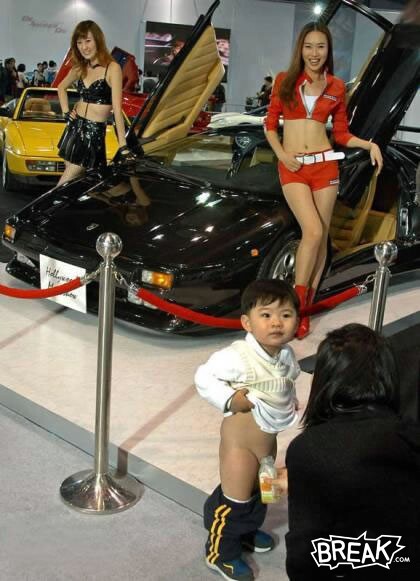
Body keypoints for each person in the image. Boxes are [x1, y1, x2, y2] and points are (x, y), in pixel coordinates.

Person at [264, 22, 383, 339]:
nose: (314, 53)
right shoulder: (285, 80)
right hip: (293, 167)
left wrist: (368, 144)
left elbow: (341, 133)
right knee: (313, 231)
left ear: (328, 50)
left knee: (322, 236)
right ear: (300, 49)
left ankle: (305, 308)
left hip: (326, 167)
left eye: (320, 46)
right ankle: (295, 306)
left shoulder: (336, 86)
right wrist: (282, 154)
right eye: (308, 46)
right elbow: (270, 125)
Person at [285, 323, 420, 580]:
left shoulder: (309, 448)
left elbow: (306, 551)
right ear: (389, 376)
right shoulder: (410, 434)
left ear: (323, 380)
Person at [195, 279, 301, 581]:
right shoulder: (238, 356)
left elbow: (287, 382)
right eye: (266, 315)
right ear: (247, 322)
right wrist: (230, 399)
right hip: (239, 446)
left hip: (267, 441)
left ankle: (247, 531)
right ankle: (220, 552)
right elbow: (204, 377)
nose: (276, 322)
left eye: (286, 314)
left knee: (262, 491)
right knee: (236, 499)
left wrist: (290, 401)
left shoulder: (285, 355)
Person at [57, 20, 133, 187]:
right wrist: (66, 112)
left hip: (93, 135)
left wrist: (123, 145)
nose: (84, 47)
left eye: (88, 41)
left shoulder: (112, 68)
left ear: (98, 40)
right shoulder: (79, 67)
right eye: (79, 42)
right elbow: (61, 87)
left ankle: (44, 208)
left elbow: (117, 109)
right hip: (73, 129)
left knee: (63, 187)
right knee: (75, 186)